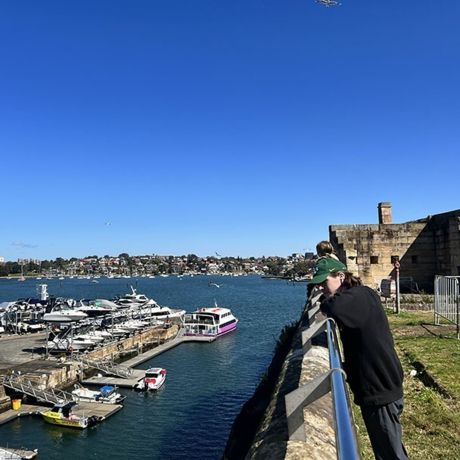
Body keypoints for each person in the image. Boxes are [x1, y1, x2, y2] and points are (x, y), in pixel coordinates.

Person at [308, 257, 408, 460]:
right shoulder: (362, 294)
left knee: (391, 454)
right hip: (382, 384)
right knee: (388, 450)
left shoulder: (356, 298)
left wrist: (324, 300)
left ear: (341, 276)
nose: (320, 287)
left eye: (324, 282)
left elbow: (332, 308)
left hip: (380, 389)